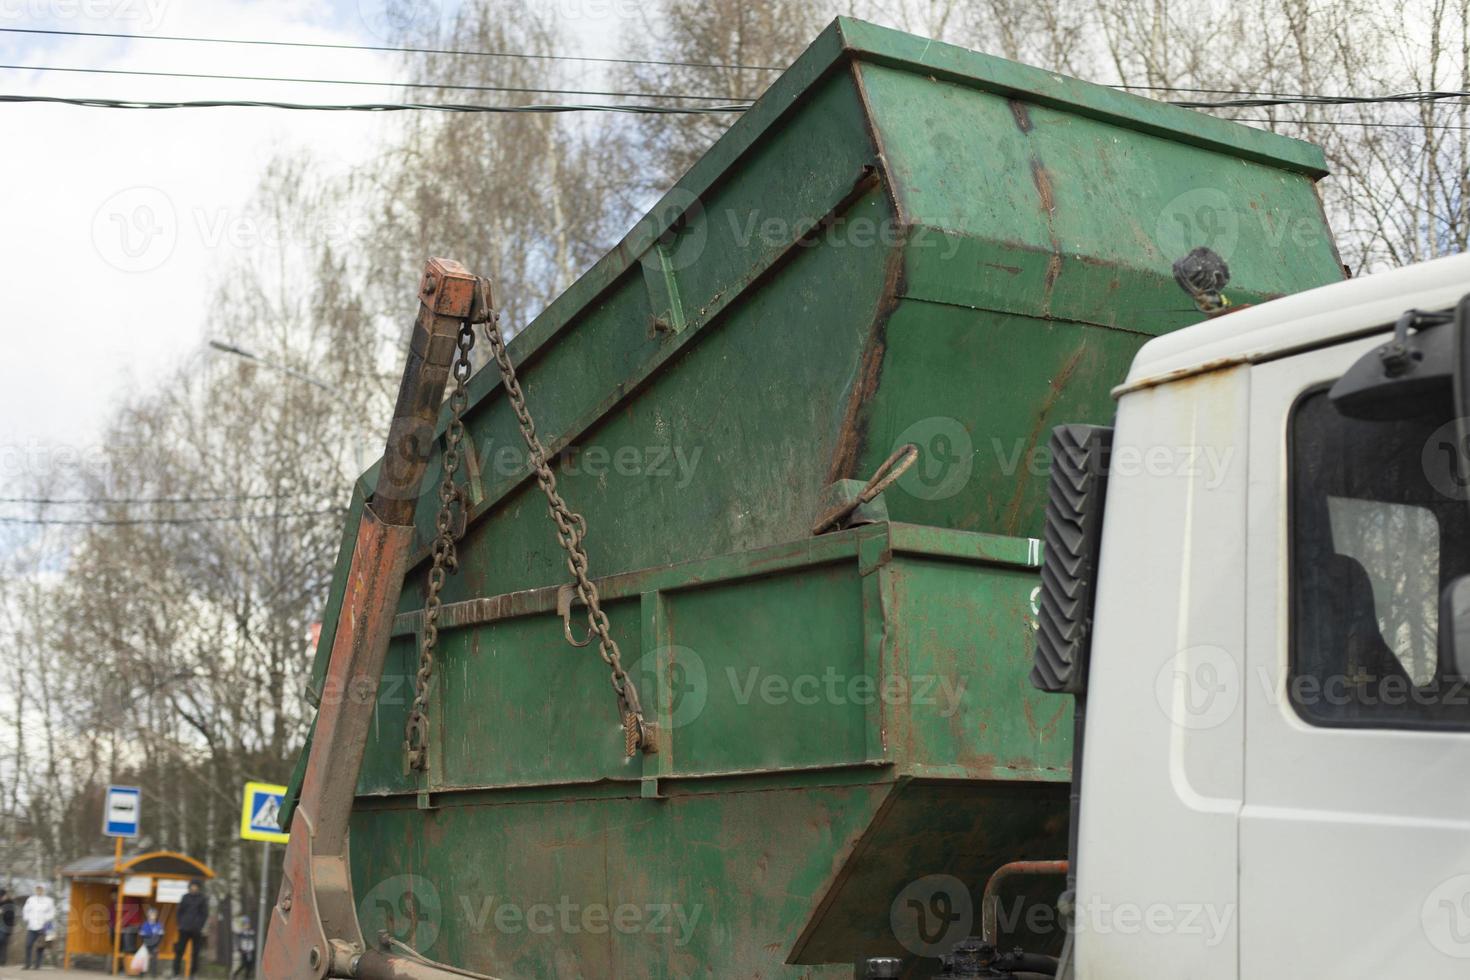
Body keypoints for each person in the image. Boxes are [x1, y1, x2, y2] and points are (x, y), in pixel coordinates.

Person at [172, 880, 207, 978]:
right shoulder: (185, 897)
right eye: (192, 886)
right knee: (179, 951)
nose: (194, 888)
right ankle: (176, 973)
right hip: (184, 929)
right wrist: (180, 924)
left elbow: (204, 914)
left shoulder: (202, 899)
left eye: (196, 886)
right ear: (190, 887)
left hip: (196, 930)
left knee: (196, 953)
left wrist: (199, 925)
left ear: (199, 887)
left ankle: (193, 974)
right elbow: (179, 912)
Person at [21, 884, 55, 971]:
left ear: (44, 890)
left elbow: (52, 912)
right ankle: (27, 964)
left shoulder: (49, 901)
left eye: (41, 889)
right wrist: (27, 918)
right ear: (35, 890)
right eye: (37, 889)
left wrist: (46, 919)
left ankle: (37, 965)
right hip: (32, 926)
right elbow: (25, 910)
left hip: (43, 926)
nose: (39, 891)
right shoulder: (31, 900)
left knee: (40, 946)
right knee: (28, 945)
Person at [138, 906, 165, 978]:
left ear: (156, 916)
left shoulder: (158, 925)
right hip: (146, 944)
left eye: (154, 914)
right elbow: (142, 935)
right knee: (143, 958)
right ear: (148, 915)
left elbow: (161, 936)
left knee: (154, 960)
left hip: (155, 944)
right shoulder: (145, 924)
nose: (152, 916)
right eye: (151, 914)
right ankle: (141, 974)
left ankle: (154, 975)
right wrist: (145, 944)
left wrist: (157, 945)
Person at [0, 888, 15, 965]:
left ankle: (2, 960)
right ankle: (2, 960)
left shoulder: (10, 903)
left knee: (2, 942)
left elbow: (11, 916)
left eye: (2, 896)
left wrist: (3, 912)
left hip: (6, 926)